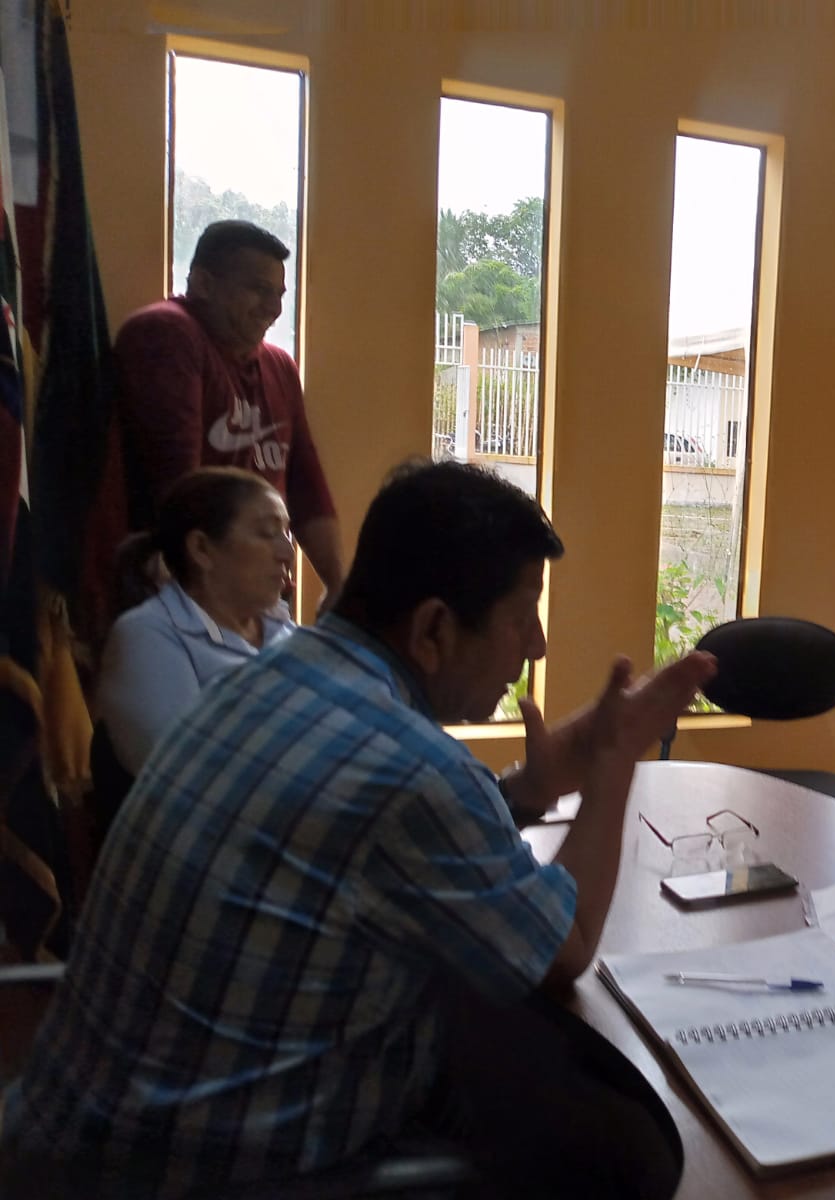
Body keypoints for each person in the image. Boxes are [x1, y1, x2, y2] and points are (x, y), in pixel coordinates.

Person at [0, 460, 716, 1199]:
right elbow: (562, 949)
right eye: (522, 614)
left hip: (62, 1144)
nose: (535, 645)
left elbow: (366, 836)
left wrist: (528, 790)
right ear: (433, 628)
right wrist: (613, 757)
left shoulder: (261, 677)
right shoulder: (417, 770)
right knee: (612, 1143)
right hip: (196, 1176)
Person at [114, 219, 344, 604]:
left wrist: (337, 586)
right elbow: (178, 486)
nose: (273, 308)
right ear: (203, 284)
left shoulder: (280, 367)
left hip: (260, 598)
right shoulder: (166, 333)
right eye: (258, 289)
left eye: (279, 294)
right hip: (184, 593)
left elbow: (306, 484)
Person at [96, 467, 295, 777]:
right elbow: (187, 772)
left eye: (286, 533)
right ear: (201, 549)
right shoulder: (148, 635)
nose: (287, 552)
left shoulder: (288, 632)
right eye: (268, 533)